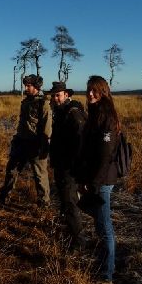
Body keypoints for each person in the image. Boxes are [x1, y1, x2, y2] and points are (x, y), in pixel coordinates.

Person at [75, 75, 123, 281]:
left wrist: (93, 183)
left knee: (104, 226)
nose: (90, 94)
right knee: (99, 221)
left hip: (102, 180)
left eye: (95, 90)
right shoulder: (94, 114)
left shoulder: (107, 116)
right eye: (88, 90)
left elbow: (105, 155)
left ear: (103, 92)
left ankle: (107, 274)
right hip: (94, 177)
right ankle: (105, 262)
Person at [0, 74, 50, 205]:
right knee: (11, 170)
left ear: (36, 87)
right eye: (25, 85)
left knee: (40, 175)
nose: (26, 87)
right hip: (21, 142)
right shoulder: (26, 101)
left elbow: (47, 127)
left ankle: (44, 204)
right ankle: (3, 197)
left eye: (29, 85)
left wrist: (44, 146)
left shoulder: (44, 103)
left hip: (35, 144)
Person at [46, 82, 87, 248]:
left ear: (66, 95)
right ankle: (67, 232)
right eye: (53, 95)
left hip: (69, 168)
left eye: (58, 95)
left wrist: (76, 167)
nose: (55, 98)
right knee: (64, 201)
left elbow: (81, 143)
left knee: (70, 204)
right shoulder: (60, 111)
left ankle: (79, 243)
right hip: (61, 165)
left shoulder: (73, 113)